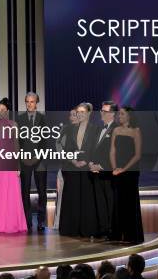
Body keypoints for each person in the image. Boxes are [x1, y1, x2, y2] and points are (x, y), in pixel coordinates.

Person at [0, 98, 28, 233]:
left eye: (3, 110)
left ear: (8, 111)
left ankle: (11, 224)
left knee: (11, 195)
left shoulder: (13, 125)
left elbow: (16, 146)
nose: (0, 112)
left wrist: (18, 167)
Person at [59, 102, 99, 237]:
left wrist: (87, 161)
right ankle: (71, 229)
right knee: (73, 198)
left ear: (89, 113)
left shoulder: (95, 129)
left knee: (87, 199)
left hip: (88, 169)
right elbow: (66, 149)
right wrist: (74, 161)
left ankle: (87, 229)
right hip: (72, 168)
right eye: (78, 111)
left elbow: (96, 149)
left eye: (83, 112)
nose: (80, 114)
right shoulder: (70, 129)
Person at [110, 107, 144, 243]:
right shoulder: (116, 130)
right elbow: (112, 151)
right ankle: (117, 234)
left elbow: (137, 155)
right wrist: (114, 168)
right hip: (117, 170)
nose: (120, 116)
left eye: (122, 114)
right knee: (118, 202)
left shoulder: (136, 131)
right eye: (119, 114)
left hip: (131, 171)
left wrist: (124, 169)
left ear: (129, 116)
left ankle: (131, 235)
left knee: (130, 202)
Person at [16, 92, 48, 232]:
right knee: (25, 191)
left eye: (32, 101)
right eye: (27, 101)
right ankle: (27, 222)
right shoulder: (20, 118)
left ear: (36, 103)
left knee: (42, 192)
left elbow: (46, 140)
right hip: (24, 160)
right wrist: (22, 157)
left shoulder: (43, 118)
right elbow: (16, 141)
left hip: (39, 160)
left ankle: (41, 222)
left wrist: (37, 157)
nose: (30, 104)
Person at [89, 101, 119, 238]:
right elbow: (94, 151)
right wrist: (91, 164)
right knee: (100, 202)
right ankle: (103, 228)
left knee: (110, 203)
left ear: (112, 113)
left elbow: (116, 153)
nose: (101, 113)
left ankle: (112, 230)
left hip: (108, 174)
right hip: (96, 174)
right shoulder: (99, 129)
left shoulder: (117, 129)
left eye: (105, 111)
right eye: (101, 110)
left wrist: (100, 166)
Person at [53, 108, 78, 229]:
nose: (72, 117)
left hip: (79, 169)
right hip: (65, 167)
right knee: (61, 196)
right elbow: (58, 144)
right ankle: (58, 223)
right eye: (71, 115)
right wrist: (66, 156)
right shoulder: (65, 129)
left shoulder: (84, 129)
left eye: (75, 115)